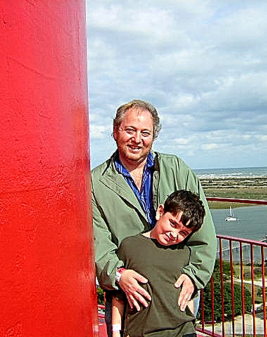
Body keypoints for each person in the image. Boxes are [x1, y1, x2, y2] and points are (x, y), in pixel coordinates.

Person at [91, 99, 216, 336]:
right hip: (129, 300)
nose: (137, 139)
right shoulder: (96, 183)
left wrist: (194, 275)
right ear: (115, 131)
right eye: (130, 130)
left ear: (153, 137)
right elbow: (98, 242)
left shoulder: (177, 169)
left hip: (177, 293)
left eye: (145, 133)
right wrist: (119, 274)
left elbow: (203, 231)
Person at [111, 190, 205, 337]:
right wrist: (116, 331)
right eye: (173, 223)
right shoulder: (129, 246)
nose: (174, 234)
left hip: (183, 331)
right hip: (141, 332)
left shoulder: (185, 252)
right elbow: (118, 296)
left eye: (184, 233)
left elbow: (188, 295)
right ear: (160, 212)